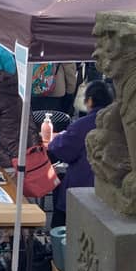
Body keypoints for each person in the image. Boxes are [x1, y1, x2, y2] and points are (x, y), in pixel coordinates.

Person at [47, 81, 115, 228]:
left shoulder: (83, 125)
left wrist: (55, 140)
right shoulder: (120, 123)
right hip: (112, 188)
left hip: (82, 187)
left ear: (89, 100)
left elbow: (61, 149)